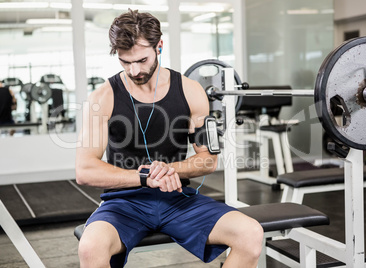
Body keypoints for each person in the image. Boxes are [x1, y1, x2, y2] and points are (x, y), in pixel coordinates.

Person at [76, 9, 263, 268]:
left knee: (250, 234)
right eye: (125, 61)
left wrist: (169, 170)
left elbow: (208, 161)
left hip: (178, 200)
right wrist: (145, 177)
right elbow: (85, 170)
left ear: (159, 46)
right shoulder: (102, 97)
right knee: (89, 248)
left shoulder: (190, 90)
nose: (134, 70)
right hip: (124, 203)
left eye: (142, 60)